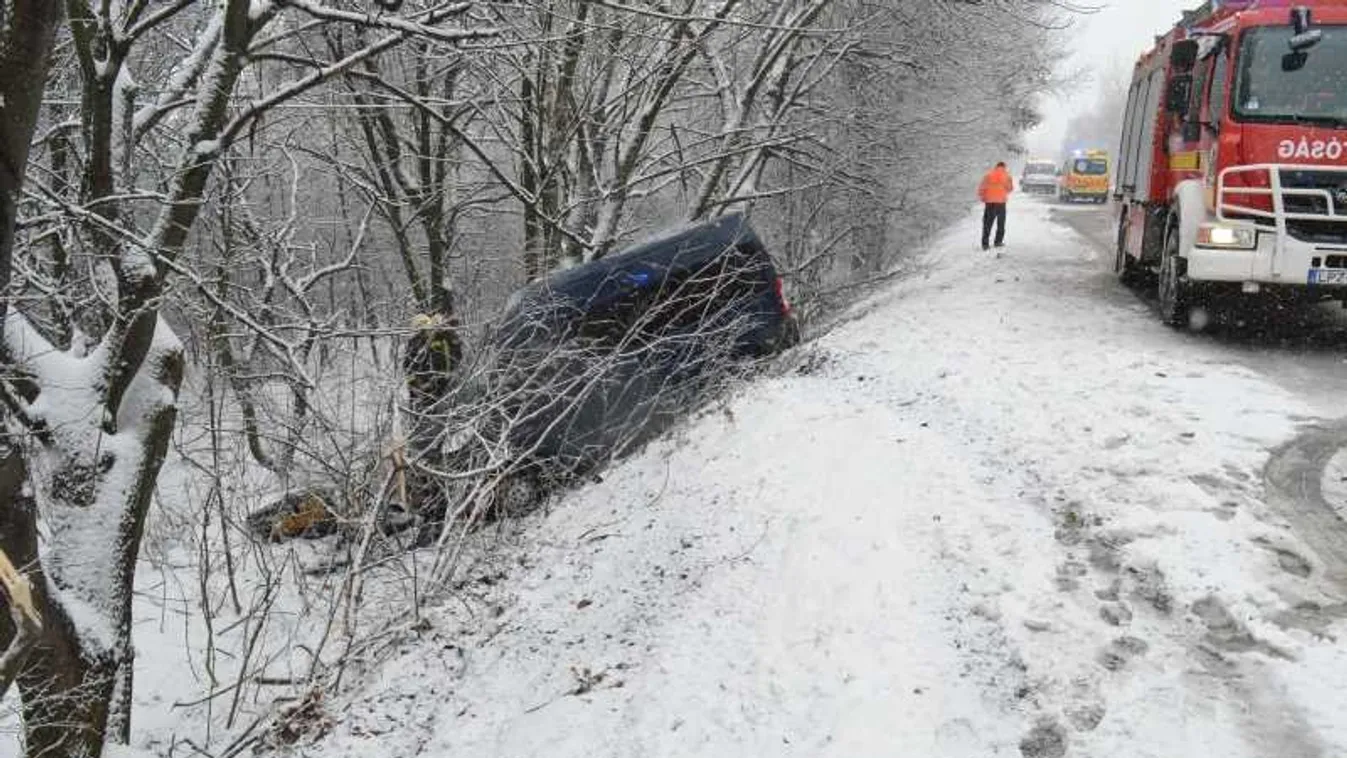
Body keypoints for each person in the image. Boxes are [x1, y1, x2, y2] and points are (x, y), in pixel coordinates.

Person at [978, 161, 1015, 251]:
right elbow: (1010, 188)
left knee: (987, 223)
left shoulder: (988, 175)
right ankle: (998, 242)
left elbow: (982, 187)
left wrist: (983, 197)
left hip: (989, 202)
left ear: (996, 166)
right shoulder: (1007, 176)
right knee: (1001, 223)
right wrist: (1003, 191)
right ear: (1004, 167)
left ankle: (985, 244)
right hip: (1001, 202)